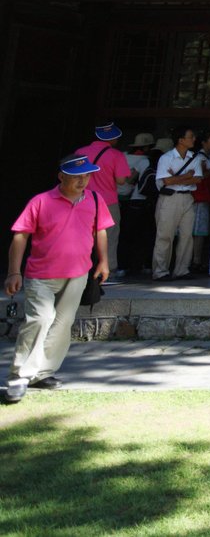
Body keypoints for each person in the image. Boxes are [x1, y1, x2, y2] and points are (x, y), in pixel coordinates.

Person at [4, 155, 114, 404]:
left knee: (64, 324)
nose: (83, 180)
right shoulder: (40, 201)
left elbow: (101, 230)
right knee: (40, 320)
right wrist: (14, 271)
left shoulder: (95, 199)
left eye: (86, 175)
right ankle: (20, 376)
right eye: (77, 176)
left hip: (78, 273)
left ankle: (43, 372)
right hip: (41, 274)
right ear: (61, 176)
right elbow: (20, 237)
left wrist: (104, 261)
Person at [74, 123, 133, 283]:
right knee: (110, 236)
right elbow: (121, 181)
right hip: (107, 202)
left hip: (82, 200)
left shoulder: (81, 152)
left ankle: (80, 269)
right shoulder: (116, 155)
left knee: (83, 236)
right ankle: (109, 271)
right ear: (113, 138)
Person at [152, 126, 206, 280]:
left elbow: (198, 178)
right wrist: (186, 176)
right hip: (170, 198)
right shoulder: (166, 158)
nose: (193, 139)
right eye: (190, 137)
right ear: (181, 140)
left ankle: (182, 269)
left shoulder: (194, 157)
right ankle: (160, 271)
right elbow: (166, 181)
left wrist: (177, 178)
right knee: (165, 235)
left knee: (187, 235)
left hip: (188, 197)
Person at [118, 133, 157, 277]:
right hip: (141, 201)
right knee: (145, 234)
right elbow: (131, 180)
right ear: (148, 147)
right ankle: (143, 264)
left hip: (120, 198)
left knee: (125, 234)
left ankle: (122, 266)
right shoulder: (145, 161)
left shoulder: (122, 156)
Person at [190, 130, 210, 274]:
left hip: (206, 197)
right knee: (198, 231)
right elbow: (200, 176)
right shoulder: (200, 158)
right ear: (203, 142)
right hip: (199, 198)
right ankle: (195, 261)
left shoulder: (208, 157)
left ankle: (196, 260)